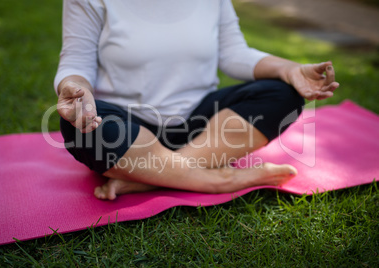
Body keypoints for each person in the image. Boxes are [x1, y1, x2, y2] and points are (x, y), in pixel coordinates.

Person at [55, 0, 339, 200]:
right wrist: (74, 87)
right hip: (129, 133)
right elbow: (77, 61)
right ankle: (219, 179)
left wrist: (288, 69)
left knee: (283, 92)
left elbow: (233, 53)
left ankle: (150, 179)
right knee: (78, 128)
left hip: (201, 129)